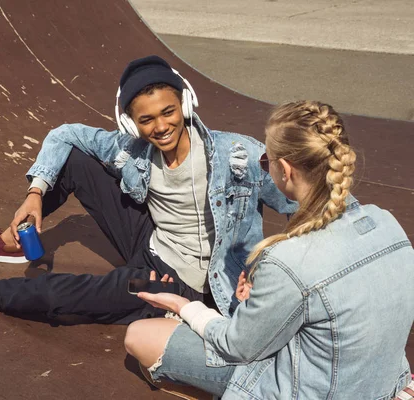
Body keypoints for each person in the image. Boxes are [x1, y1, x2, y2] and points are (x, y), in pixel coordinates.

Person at [0, 55, 295, 325]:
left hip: (183, 280)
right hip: (152, 240)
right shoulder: (133, 148)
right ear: (131, 123)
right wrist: (35, 193)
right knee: (75, 159)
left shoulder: (237, 156)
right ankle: (13, 241)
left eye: (168, 112)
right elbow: (64, 134)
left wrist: (269, 271)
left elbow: (301, 201)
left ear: (186, 105)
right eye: (147, 119)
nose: (160, 127)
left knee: (63, 297)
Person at [124, 101, 414, 399]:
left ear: (285, 170)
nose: (264, 166)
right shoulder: (385, 221)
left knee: (140, 335)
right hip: (379, 382)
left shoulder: (289, 259)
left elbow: (236, 346)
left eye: (266, 161)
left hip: (308, 389)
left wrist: (183, 306)